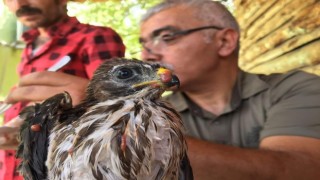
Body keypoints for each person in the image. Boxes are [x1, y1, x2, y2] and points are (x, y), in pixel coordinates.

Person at [139, 0, 320, 179]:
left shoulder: (295, 88)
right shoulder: (150, 112)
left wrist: (148, 143)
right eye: (144, 45)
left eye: (167, 37)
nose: (146, 56)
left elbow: (302, 170)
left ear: (225, 41)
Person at [1, 0, 125, 179]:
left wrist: (90, 103)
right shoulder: (29, 46)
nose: (21, 3)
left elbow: (120, 111)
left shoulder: (94, 36)